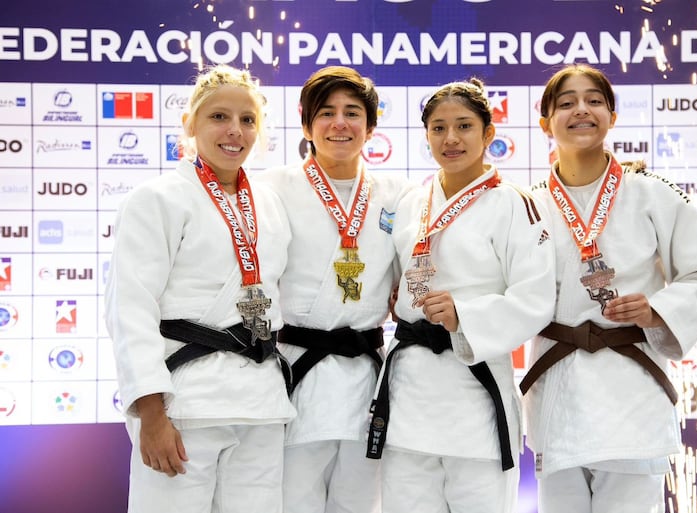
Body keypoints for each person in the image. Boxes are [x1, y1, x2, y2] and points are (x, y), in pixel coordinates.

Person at [520, 63, 697, 513]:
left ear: (612, 117)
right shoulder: (528, 204)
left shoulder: (654, 193)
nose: (582, 110)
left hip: (631, 389)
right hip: (557, 386)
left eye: (594, 100)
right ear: (545, 124)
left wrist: (655, 310)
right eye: (567, 103)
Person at [104, 64, 295, 513]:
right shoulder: (156, 199)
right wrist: (151, 413)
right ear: (190, 124)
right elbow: (130, 309)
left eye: (247, 120)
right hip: (186, 404)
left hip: (261, 403)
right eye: (218, 117)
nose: (235, 131)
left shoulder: (268, 203)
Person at [366, 78, 557, 513]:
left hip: (474, 392)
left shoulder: (516, 204)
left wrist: (464, 315)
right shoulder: (413, 202)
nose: (450, 138)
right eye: (438, 128)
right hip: (409, 393)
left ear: (488, 134)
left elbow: (535, 298)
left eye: (464, 126)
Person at [255, 66, 408, 513]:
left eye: (353, 113)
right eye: (326, 113)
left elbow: (412, 269)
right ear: (306, 124)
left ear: (371, 126)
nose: (340, 124)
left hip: (366, 374)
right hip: (296, 371)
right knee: (292, 500)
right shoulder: (271, 188)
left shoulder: (398, 192)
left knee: (361, 502)